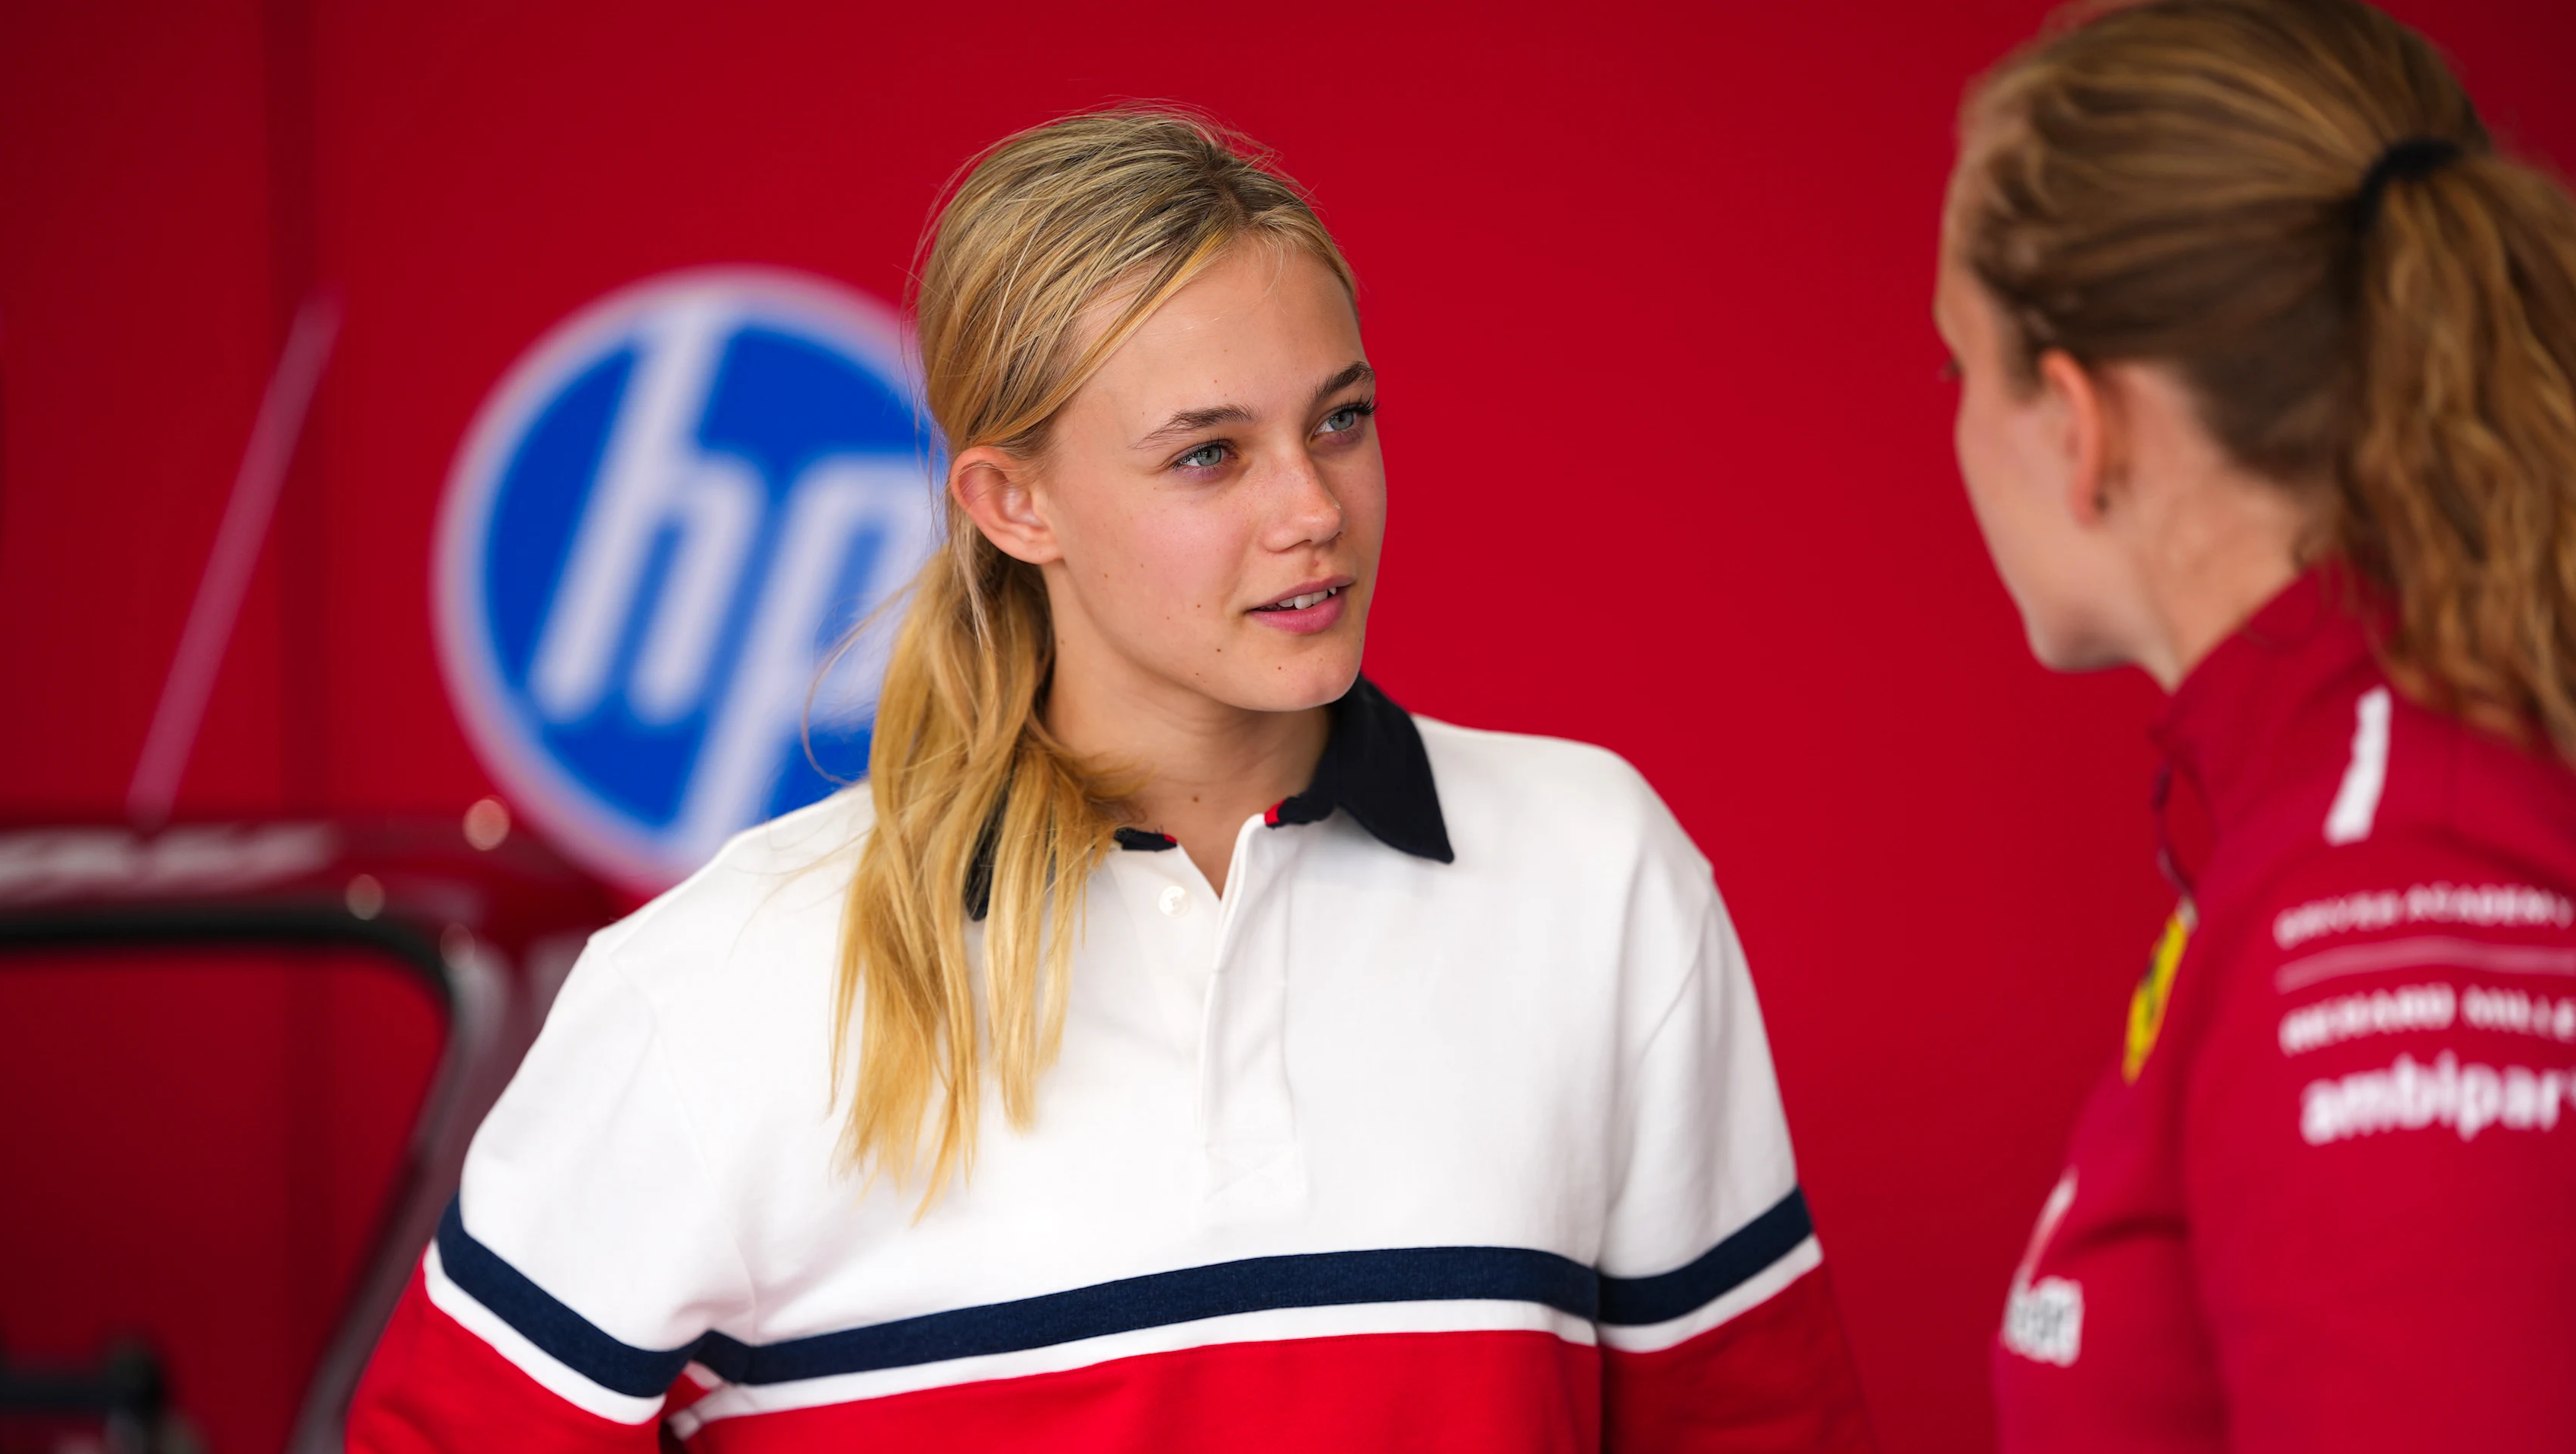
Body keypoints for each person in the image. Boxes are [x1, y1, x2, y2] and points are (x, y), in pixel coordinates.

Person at [347, 109, 1872, 1452]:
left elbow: (1756, 1432)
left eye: (1339, 420)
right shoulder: (732, 976)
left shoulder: (1592, 873)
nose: (1313, 510)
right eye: (1208, 455)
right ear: (1013, 502)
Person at [1936, 0, 2576, 1447]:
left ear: (2074, 419)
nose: (1956, 426)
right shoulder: (2338, 810)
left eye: (1956, 366)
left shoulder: (2399, 877)